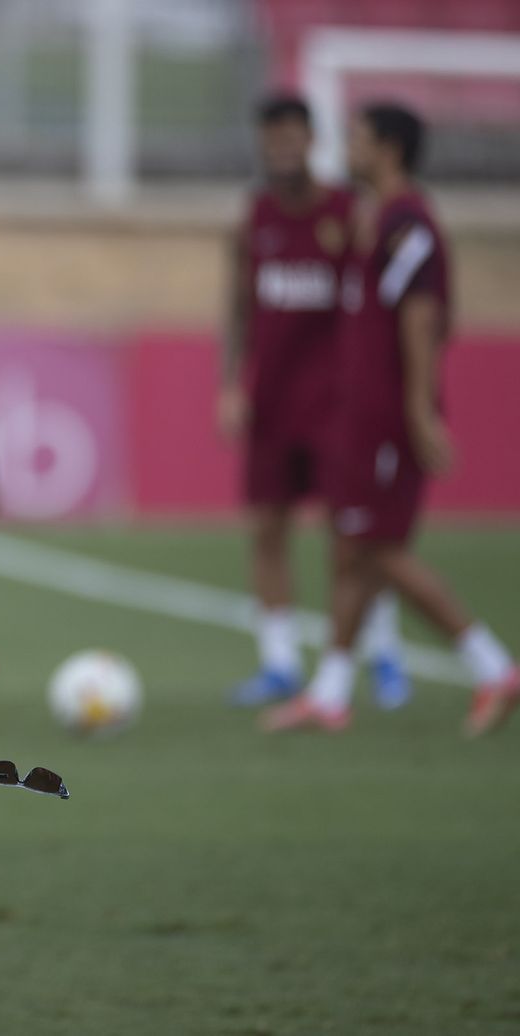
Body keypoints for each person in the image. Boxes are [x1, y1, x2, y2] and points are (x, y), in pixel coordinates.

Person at [262, 103, 519, 735]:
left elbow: (422, 317)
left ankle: (493, 667)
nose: (347, 146)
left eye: (358, 136)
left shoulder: (411, 223)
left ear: (390, 149)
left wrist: (418, 412)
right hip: (359, 418)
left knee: (378, 551)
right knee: (352, 550)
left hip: (385, 421)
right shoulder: (373, 220)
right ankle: (329, 694)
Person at [220, 93, 409, 709]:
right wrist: (231, 384)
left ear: (311, 140)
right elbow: (238, 309)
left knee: (352, 536)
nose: (282, 148)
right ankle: (278, 664)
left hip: (336, 406)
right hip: (271, 404)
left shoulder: (348, 213)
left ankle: (382, 653)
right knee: (267, 529)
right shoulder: (254, 219)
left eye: (292, 136)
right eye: (271, 137)